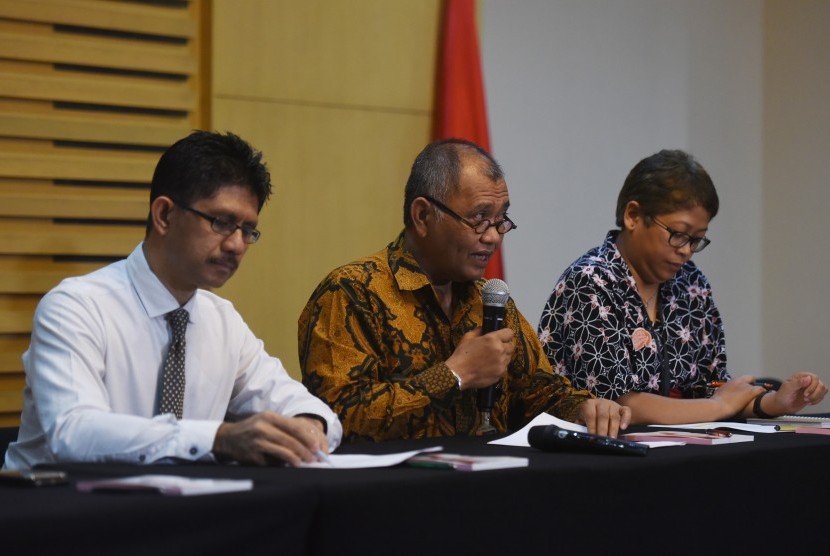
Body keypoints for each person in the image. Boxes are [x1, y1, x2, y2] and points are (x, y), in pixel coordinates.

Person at [4, 131, 342, 470]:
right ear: (164, 215)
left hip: (172, 513)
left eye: (247, 230)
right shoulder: (76, 307)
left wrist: (309, 427)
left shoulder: (221, 320)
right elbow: (74, 433)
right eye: (222, 222)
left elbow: (304, 405)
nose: (236, 245)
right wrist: (218, 439)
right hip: (54, 510)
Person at [298, 139, 630, 442]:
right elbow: (338, 418)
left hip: (485, 486)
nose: (494, 236)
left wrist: (586, 409)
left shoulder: (491, 300)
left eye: (502, 220)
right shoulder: (352, 293)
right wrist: (455, 374)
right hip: (393, 493)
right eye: (480, 219)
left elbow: (539, 393)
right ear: (423, 216)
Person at [537, 149, 827, 424]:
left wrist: (774, 402)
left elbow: (709, 388)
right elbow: (620, 403)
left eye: (697, 240)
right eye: (678, 235)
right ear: (633, 216)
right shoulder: (591, 282)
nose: (687, 250)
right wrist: (718, 406)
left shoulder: (690, 283)